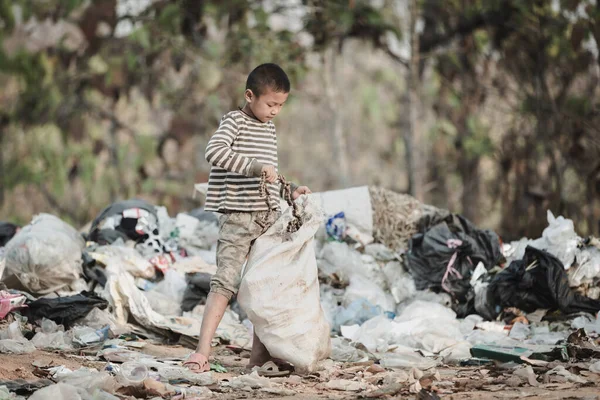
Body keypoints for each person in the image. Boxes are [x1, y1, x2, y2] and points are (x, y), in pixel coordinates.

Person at [183, 63, 311, 373]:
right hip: (238, 217)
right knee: (226, 280)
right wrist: (253, 167)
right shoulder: (234, 121)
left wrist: (290, 191)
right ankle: (202, 352)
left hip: (266, 217)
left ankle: (259, 358)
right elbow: (214, 151)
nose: (275, 111)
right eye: (270, 104)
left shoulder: (268, 128)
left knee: (262, 286)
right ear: (250, 96)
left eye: (280, 105)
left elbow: (270, 176)